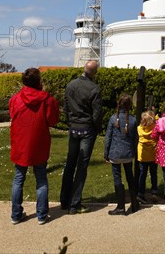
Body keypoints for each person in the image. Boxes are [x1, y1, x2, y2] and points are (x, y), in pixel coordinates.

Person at [9, 67, 59, 225]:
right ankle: (42, 215)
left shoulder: (15, 99)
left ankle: (16, 214)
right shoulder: (47, 99)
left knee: (18, 178)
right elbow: (53, 120)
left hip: (20, 142)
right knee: (41, 178)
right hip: (39, 142)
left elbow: (12, 115)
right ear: (38, 82)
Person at [60, 60, 102, 215]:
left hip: (74, 128)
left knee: (70, 164)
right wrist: (97, 128)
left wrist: (70, 122)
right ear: (94, 72)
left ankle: (64, 200)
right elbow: (97, 113)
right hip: (87, 129)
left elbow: (66, 106)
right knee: (82, 166)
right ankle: (74, 203)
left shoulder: (71, 85)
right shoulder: (94, 89)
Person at [104, 94, 139, 215]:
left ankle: (120, 206)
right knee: (130, 177)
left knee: (117, 178)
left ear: (118, 104)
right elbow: (136, 139)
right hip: (128, 153)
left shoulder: (113, 118)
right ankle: (134, 203)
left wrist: (106, 153)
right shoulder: (133, 120)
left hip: (115, 153)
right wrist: (133, 151)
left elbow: (108, 138)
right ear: (130, 106)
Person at [137, 110, 158, 204]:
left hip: (143, 156)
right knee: (153, 174)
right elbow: (158, 120)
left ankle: (141, 193)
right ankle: (154, 193)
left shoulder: (139, 129)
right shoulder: (155, 127)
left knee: (142, 175)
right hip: (153, 155)